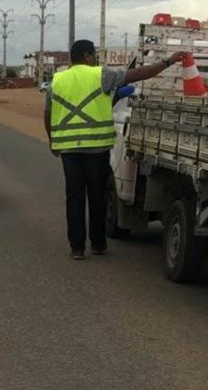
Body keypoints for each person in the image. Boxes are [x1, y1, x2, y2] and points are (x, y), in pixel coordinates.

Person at [45, 39, 185, 259]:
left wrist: (52, 140)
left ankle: (77, 248)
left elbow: (48, 112)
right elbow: (138, 74)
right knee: (97, 196)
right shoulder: (101, 75)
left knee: (74, 198)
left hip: (69, 148)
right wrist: (168, 62)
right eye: (94, 55)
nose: (95, 59)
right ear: (88, 56)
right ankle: (98, 244)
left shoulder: (57, 80)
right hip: (97, 147)